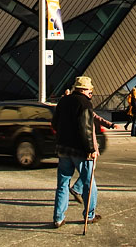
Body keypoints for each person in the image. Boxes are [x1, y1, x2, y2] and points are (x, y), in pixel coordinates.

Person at [51, 75, 100, 228]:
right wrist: (91, 149)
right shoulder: (85, 104)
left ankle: (58, 218)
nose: (90, 93)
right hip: (80, 151)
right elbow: (86, 129)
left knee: (63, 184)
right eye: (90, 90)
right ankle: (89, 215)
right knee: (89, 183)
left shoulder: (63, 101)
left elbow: (54, 123)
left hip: (63, 149)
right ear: (85, 90)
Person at [69, 111, 117, 205]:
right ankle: (78, 189)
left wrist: (110, 125)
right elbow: (96, 118)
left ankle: (77, 188)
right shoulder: (84, 106)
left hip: (83, 144)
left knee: (89, 171)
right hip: (88, 145)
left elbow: (96, 118)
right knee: (88, 172)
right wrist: (110, 125)